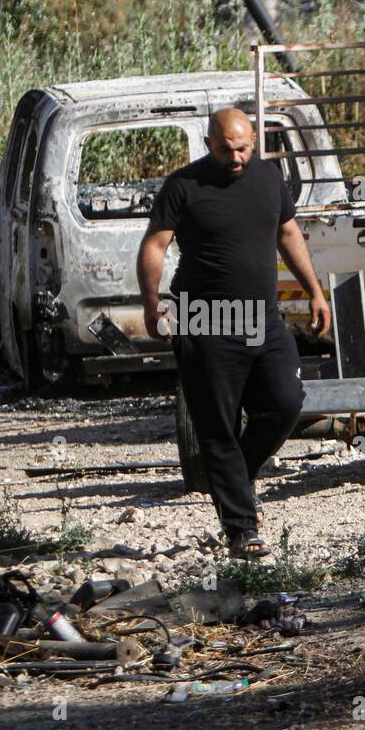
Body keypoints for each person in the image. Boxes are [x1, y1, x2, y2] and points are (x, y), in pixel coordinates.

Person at [137, 108, 331, 558]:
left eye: (243, 148)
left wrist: (315, 292)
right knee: (218, 427)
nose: (236, 157)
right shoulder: (184, 186)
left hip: (261, 316)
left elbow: (288, 233)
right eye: (226, 150)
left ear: (254, 143)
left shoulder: (268, 179)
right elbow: (155, 243)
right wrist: (151, 302)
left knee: (285, 402)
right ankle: (242, 530)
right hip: (204, 317)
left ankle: (234, 479)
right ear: (209, 144)